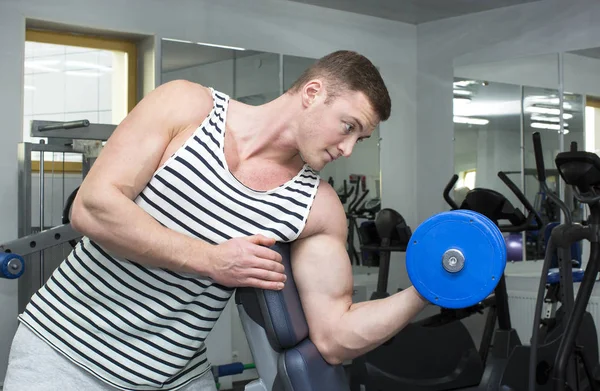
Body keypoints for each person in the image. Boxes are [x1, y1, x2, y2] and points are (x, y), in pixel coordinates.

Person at [3, 50, 429, 391]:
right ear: (313, 92)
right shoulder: (188, 107)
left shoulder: (317, 206)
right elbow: (93, 207)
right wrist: (210, 261)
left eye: (361, 137)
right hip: (63, 352)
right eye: (348, 126)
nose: (349, 148)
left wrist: (429, 292)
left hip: (173, 373)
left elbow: (335, 337)